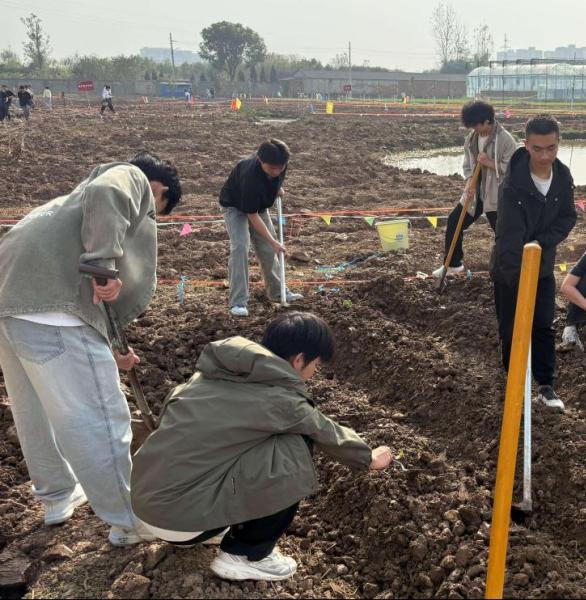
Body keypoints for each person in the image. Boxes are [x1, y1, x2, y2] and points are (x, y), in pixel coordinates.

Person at [0, 152, 183, 545]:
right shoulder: (129, 176)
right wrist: (104, 265)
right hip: (54, 305)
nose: (147, 221)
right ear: (160, 191)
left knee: (34, 409)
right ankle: (133, 519)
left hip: (11, 300)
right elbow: (108, 193)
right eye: (156, 212)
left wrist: (111, 346)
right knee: (101, 415)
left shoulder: (70, 204)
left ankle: (57, 496)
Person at [131, 312, 393, 581]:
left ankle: (207, 524)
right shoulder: (282, 399)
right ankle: (248, 554)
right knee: (294, 447)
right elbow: (325, 431)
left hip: (146, 506)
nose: (314, 373)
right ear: (299, 359)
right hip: (181, 520)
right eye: (315, 364)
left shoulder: (209, 376)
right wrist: (369, 457)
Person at [491, 115, 577, 411]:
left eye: (551, 148)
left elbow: (567, 217)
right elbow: (508, 235)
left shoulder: (562, 178)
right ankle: (516, 383)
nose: (544, 156)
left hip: (542, 268)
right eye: (537, 148)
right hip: (510, 268)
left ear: (558, 144)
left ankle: (545, 385)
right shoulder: (513, 184)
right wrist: (516, 279)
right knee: (512, 329)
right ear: (526, 144)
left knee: (543, 325)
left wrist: (541, 242)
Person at [433, 100, 518, 278]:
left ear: (487, 121)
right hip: (475, 192)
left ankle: (510, 269)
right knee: (454, 220)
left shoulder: (505, 140)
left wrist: (488, 162)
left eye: (476, 125)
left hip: (496, 195)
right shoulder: (472, 138)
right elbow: (467, 165)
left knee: (503, 233)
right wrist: (469, 181)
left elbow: (513, 169)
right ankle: (453, 264)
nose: (474, 129)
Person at [219, 139, 303, 317]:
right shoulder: (250, 177)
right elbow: (252, 215)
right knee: (240, 246)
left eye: (280, 168)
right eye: (272, 168)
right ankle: (238, 302)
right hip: (234, 206)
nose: (277, 171)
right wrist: (273, 242)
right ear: (260, 160)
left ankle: (278, 292)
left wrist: (277, 187)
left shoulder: (280, 163)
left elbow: (275, 178)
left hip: (258, 206)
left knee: (268, 248)